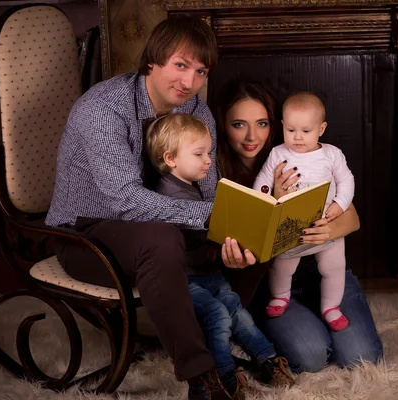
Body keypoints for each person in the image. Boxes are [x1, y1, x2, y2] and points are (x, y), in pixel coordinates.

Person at [45, 15, 255, 400]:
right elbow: (124, 201)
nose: (189, 82)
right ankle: (201, 376)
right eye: (180, 65)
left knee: (252, 236)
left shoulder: (193, 108)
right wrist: (206, 218)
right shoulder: (104, 108)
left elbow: (209, 193)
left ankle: (233, 341)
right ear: (153, 61)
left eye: (200, 71)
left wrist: (233, 227)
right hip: (85, 233)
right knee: (160, 238)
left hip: (167, 227)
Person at [214, 79, 383, 373]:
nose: (252, 135)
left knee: (361, 357)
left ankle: (324, 311)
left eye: (262, 123)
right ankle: (301, 319)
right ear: (222, 125)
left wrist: (330, 228)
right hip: (271, 282)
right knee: (311, 356)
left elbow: (352, 217)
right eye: (239, 124)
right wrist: (274, 201)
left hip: (322, 269)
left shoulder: (303, 155)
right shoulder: (217, 171)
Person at [145, 113, 295, 399]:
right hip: (187, 279)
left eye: (209, 152)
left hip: (210, 273)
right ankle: (226, 375)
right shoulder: (164, 194)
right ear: (171, 158)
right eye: (199, 153)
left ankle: (268, 360)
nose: (208, 160)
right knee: (219, 316)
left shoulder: (197, 186)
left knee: (238, 312)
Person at [252, 92, 354, 332]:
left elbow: (347, 180)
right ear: (282, 127)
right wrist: (264, 197)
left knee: (334, 267)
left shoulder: (331, 154)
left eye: (306, 131)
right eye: (290, 130)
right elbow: (263, 180)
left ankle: (331, 307)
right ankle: (280, 295)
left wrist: (339, 203)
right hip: (290, 225)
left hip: (326, 225)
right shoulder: (279, 154)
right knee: (282, 265)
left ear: (321, 129)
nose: (297, 137)